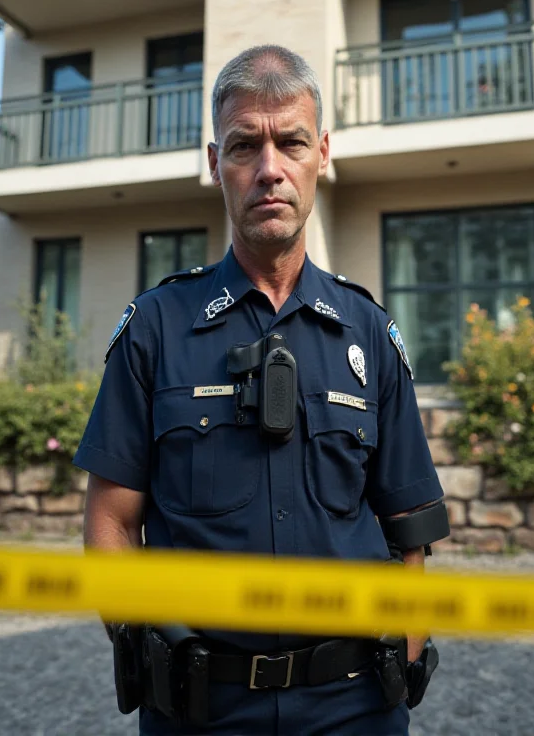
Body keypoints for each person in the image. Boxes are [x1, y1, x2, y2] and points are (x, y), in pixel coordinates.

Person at [75, 44, 450, 735]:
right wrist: (141, 641)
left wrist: (410, 644)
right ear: (216, 163)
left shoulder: (370, 333)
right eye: (245, 145)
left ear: (322, 155)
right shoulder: (155, 330)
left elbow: (411, 532)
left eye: (292, 142)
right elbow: (112, 521)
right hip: (199, 709)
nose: (270, 169)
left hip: (356, 705)